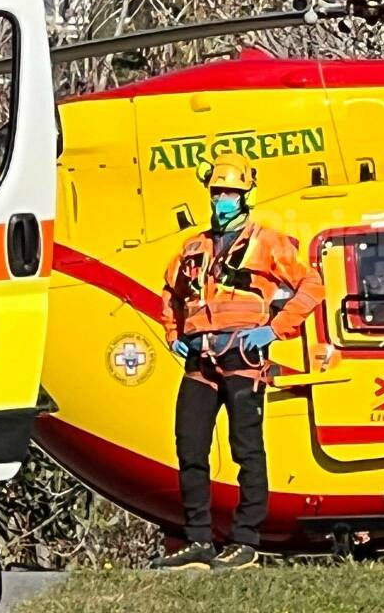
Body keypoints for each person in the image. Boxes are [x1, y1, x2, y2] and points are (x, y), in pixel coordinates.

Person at [153, 153, 324, 571]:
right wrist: (175, 335)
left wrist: (275, 329)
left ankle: (245, 540)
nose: (221, 200)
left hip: (243, 357)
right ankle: (197, 540)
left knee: (246, 448)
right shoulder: (193, 247)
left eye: (229, 193)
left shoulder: (266, 241)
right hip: (199, 359)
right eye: (217, 193)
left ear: (245, 194)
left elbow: (312, 285)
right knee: (190, 445)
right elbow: (170, 294)